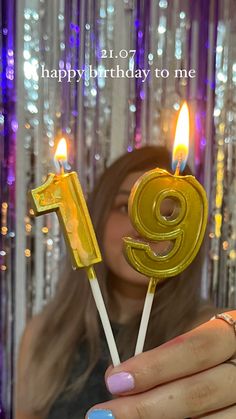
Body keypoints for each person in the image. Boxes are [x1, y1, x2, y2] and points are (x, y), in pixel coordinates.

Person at [16, 146, 236, 419]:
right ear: (95, 218)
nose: (143, 228)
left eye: (168, 214)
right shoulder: (42, 336)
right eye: (124, 206)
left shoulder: (209, 338)